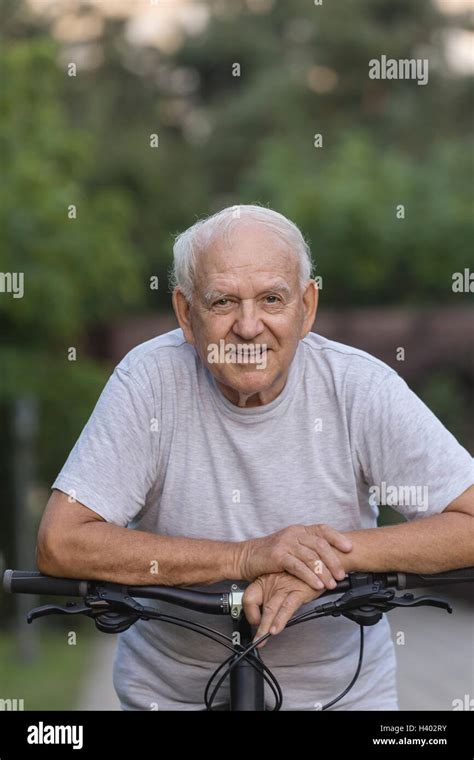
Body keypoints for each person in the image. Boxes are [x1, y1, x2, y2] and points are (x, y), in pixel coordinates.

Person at [37, 204, 474, 710]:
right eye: (222, 302)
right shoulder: (148, 382)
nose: (248, 327)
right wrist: (245, 558)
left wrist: (313, 561)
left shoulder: (359, 386)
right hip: (173, 695)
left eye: (272, 298)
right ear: (185, 313)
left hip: (340, 695)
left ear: (307, 307)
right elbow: (60, 542)